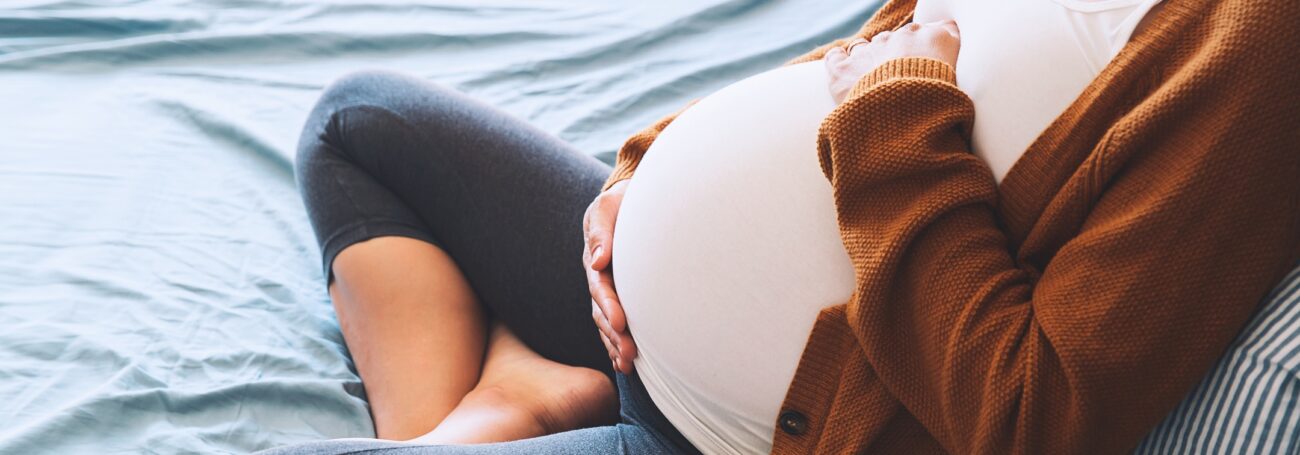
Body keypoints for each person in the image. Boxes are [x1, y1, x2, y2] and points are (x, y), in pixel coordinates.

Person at [262, 0, 1300, 453]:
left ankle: (500, 411)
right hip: (632, 321)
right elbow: (874, 57)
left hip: (749, 433)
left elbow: (1030, 414)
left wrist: (890, 116)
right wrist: (643, 168)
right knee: (359, 124)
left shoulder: (1263, 47)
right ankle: (495, 407)